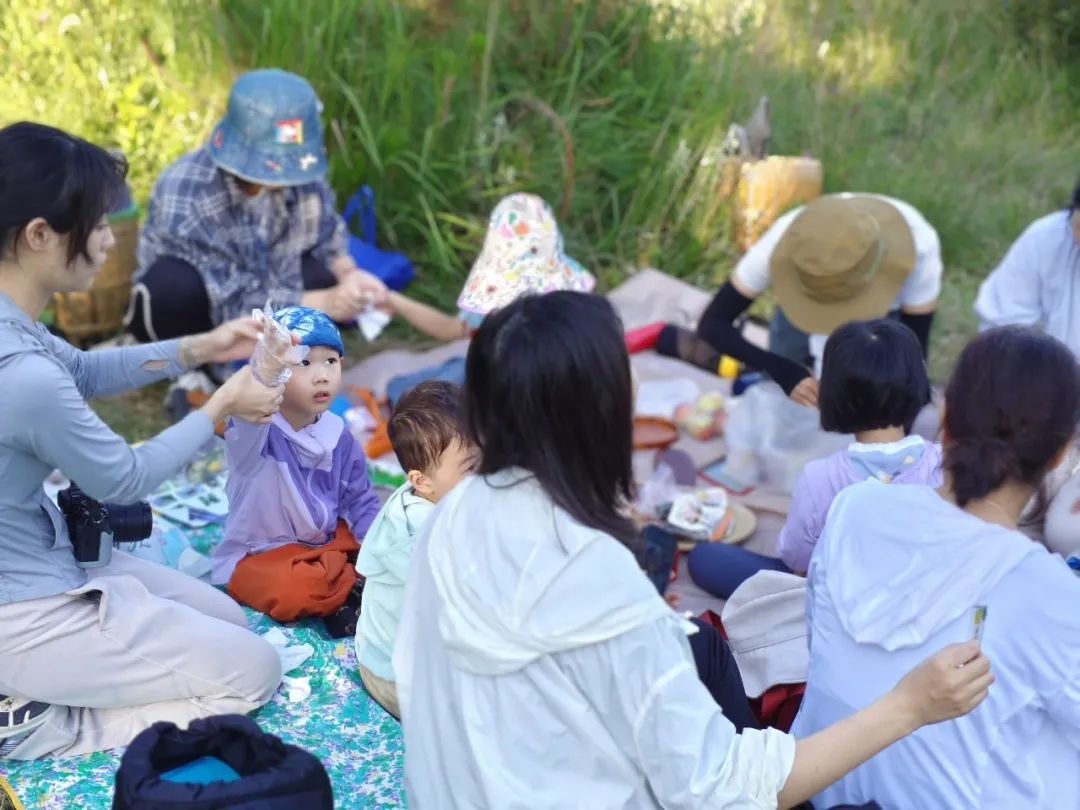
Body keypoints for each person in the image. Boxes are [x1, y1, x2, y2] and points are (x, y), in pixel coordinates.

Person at [393, 291, 993, 809]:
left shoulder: (453, 514)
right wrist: (910, 706)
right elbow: (722, 790)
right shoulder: (598, 585)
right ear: (598, 416)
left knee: (701, 640)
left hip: (469, 785)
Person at [0, 121, 284, 759]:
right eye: (98, 224)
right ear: (39, 234)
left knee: (230, 622)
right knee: (254, 673)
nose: (108, 242)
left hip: (47, 557)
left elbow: (84, 369)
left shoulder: (14, 326)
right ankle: (37, 723)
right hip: (23, 609)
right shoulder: (21, 377)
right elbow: (122, 479)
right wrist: (220, 406)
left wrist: (203, 346)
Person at [793, 327, 1080, 808]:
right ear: (1059, 454)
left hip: (817, 783)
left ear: (942, 419)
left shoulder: (854, 508)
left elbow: (817, 640)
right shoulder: (1048, 592)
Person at [127, 69, 388, 349]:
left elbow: (328, 236)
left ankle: (277, 339)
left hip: (270, 274)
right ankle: (197, 367)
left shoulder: (304, 175)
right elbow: (228, 297)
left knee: (325, 277)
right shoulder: (188, 194)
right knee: (174, 289)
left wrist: (349, 276)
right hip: (203, 298)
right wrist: (325, 303)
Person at [688, 319, 941, 599]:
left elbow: (796, 558)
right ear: (919, 384)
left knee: (706, 558)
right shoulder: (944, 464)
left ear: (831, 395)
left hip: (839, 604)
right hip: (921, 600)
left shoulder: (820, 478)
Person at [658, 193, 942, 407]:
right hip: (800, 315)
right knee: (781, 385)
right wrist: (782, 370)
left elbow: (915, 355)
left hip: (883, 319)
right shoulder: (790, 240)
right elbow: (713, 323)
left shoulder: (919, 249)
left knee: (874, 393)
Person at [213, 306, 381, 638]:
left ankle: (346, 588)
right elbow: (253, 398)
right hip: (262, 554)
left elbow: (361, 499)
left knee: (378, 545)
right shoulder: (256, 431)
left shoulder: (339, 435)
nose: (322, 376)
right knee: (294, 589)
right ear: (277, 371)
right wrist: (266, 367)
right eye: (304, 363)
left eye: (330, 361)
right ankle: (346, 592)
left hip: (323, 544)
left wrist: (380, 548)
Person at [379, 192, 595, 404]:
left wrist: (394, 300)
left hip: (506, 394)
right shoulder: (578, 309)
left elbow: (448, 329)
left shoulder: (491, 314)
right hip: (552, 391)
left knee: (419, 396)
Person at [354, 381, 475, 719]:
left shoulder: (442, 498)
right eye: (471, 468)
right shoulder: (424, 536)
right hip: (397, 680)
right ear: (422, 481)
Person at [974, 182, 1080, 556]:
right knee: (986, 507)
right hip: (1040, 414)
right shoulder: (1047, 239)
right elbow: (1002, 336)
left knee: (1068, 530)